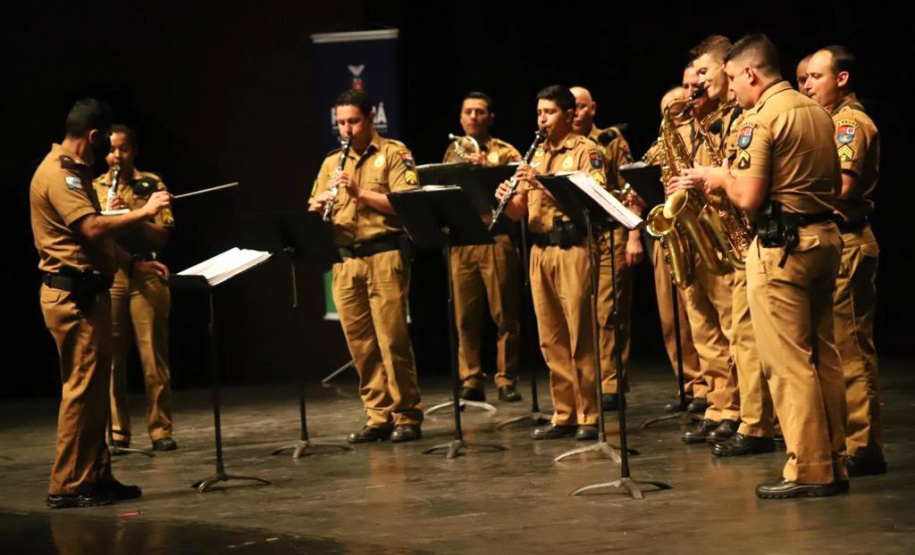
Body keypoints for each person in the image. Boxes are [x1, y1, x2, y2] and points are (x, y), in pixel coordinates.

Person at [693, 34, 848, 498]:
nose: (730, 89)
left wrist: (719, 176)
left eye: (732, 79)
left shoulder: (760, 118)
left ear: (750, 73)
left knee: (788, 364)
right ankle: (834, 459)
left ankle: (809, 469)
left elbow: (747, 195)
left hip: (783, 249)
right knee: (825, 357)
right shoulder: (818, 112)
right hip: (824, 238)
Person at [30, 99, 172, 508]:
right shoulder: (60, 174)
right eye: (103, 144)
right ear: (92, 136)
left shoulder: (73, 172)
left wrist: (132, 263)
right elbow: (92, 228)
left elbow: (92, 240)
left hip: (87, 293)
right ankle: (66, 485)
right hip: (74, 297)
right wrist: (145, 211)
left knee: (94, 393)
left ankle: (95, 476)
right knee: (81, 391)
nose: (106, 154)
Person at [309, 89, 424, 443]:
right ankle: (378, 415)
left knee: (392, 339)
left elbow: (407, 203)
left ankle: (406, 414)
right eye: (341, 123)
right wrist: (319, 205)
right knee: (360, 344)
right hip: (346, 262)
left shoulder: (394, 153)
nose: (347, 130)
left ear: (371, 118)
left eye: (353, 122)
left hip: (384, 255)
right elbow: (312, 205)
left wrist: (359, 193)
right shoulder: (331, 162)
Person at [494, 85, 606, 441]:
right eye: (539, 112)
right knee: (551, 337)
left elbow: (591, 203)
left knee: (580, 335)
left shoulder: (587, 151)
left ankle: (590, 414)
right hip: (539, 251)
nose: (542, 119)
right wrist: (507, 200)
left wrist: (540, 183)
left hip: (573, 248)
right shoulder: (536, 156)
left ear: (569, 115)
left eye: (550, 112)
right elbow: (520, 212)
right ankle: (565, 413)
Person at [805, 45, 885, 477]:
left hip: (851, 239)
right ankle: (845, 438)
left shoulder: (849, 122)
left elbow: (847, 185)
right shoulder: (829, 120)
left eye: (815, 77)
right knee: (834, 345)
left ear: (842, 79)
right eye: (804, 78)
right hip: (836, 241)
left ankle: (864, 444)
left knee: (851, 346)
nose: (807, 85)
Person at [92, 125, 177, 452]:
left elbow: (163, 235)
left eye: (123, 149)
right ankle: (118, 431)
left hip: (147, 273)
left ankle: (160, 429)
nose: (117, 156)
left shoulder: (152, 184)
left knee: (153, 356)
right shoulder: (95, 186)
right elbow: (93, 233)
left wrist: (133, 215)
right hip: (112, 274)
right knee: (112, 357)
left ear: (134, 151)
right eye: (111, 150)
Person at [442, 92, 523, 404]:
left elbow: (518, 194)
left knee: (505, 314)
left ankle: (506, 378)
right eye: (468, 111)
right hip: (463, 239)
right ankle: (471, 378)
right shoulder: (454, 150)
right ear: (461, 117)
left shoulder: (506, 151)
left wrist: (486, 168)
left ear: (490, 117)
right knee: (465, 316)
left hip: (496, 237)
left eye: (480, 112)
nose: (473, 117)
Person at [570, 86, 643, 412]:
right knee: (580, 313)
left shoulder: (611, 142)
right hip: (578, 237)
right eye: (571, 108)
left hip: (611, 232)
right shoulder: (560, 146)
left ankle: (611, 383)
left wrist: (633, 236)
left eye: (581, 107)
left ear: (593, 109)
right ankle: (585, 384)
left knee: (609, 311)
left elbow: (631, 189)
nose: (575, 113)